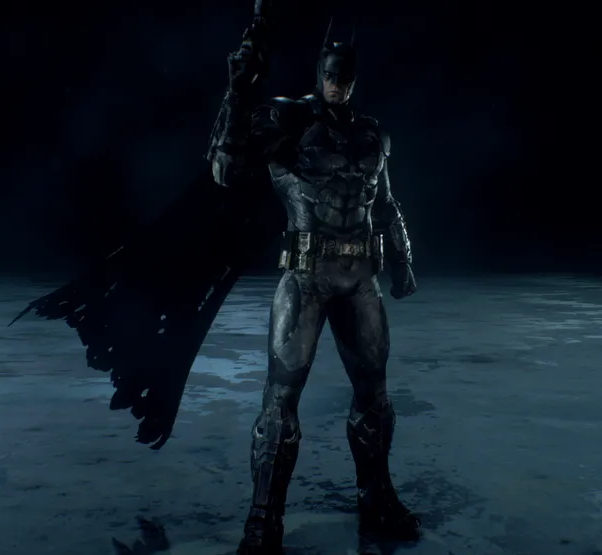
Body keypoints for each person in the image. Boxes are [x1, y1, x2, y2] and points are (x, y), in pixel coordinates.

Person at [209, 19, 421, 555]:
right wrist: (237, 91)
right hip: (305, 278)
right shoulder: (288, 120)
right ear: (319, 73)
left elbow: (385, 203)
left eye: (345, 77)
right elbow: (226, 168)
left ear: (354, 79)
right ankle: (264, 516)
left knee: (374, 397)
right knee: (280, 402)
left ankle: (377, 497)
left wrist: (403, 262)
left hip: (360, 279)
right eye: (330, 75)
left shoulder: (372, 134)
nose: (337, 84)